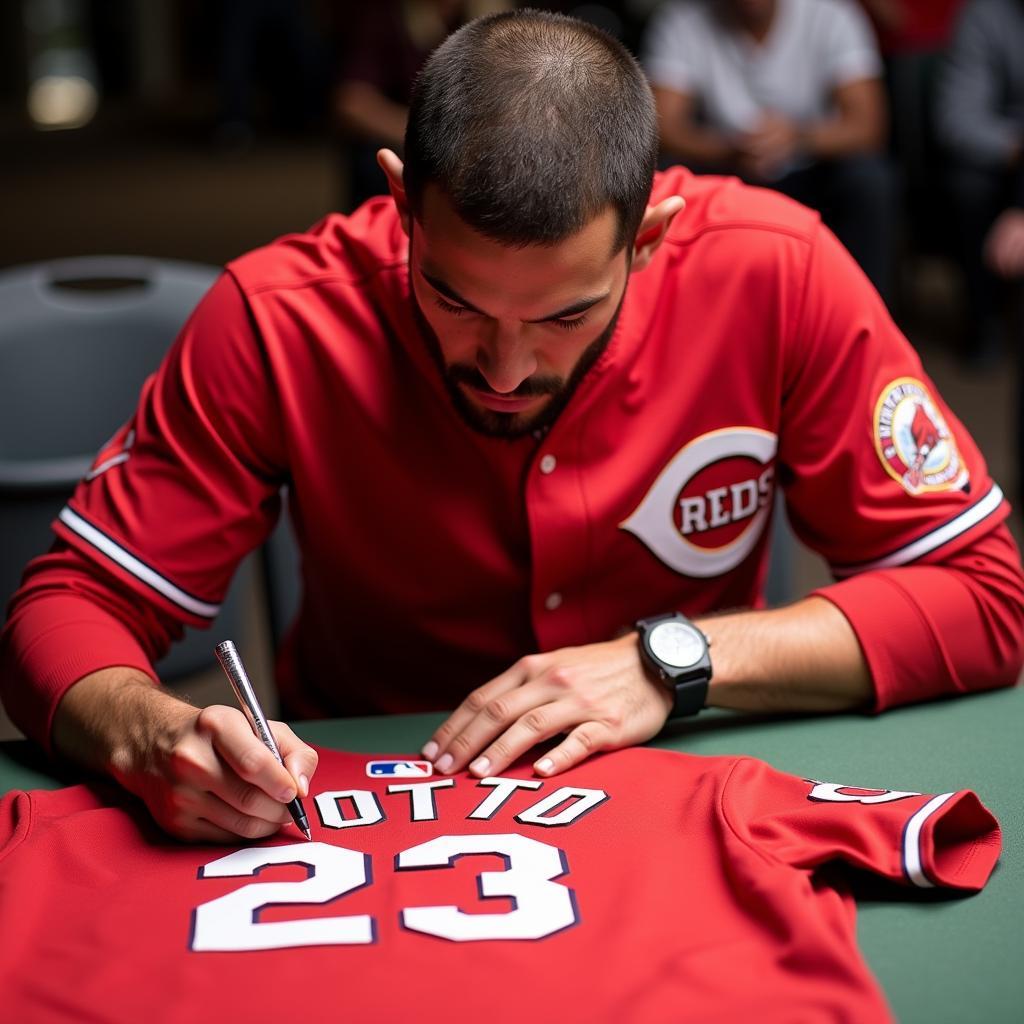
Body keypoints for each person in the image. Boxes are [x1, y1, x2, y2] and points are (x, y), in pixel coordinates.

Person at [1, 9, 1021, 844]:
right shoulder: (277, 314)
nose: (503, 368)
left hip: (686, 785)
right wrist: (147, 734)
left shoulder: (778, 271)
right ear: (399, 201)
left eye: (565, 315)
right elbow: (62, 608)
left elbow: (985, 599)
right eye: (453, 300)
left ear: (649, 238)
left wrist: (673, 660)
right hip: (363, 823)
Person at [642, 0, 896, 300]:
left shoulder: (832, 14)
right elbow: (662, 129)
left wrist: (799, 138)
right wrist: (729, 148)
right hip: (726, 173)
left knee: (870, 180)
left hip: (813, 167)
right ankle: (671, 318)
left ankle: (869, 313)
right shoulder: (682, 21)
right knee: (664, 178)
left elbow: (868, 126)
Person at [933, 0, 1024, 367]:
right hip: (1004, 157)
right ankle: (984, 319)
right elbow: (957, 120)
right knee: (968, 184)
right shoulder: (986, 16)